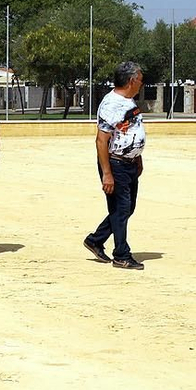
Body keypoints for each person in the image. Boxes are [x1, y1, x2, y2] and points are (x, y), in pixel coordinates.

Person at [83, 61, 147, 270]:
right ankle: (121, 254)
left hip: (129, 163)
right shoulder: (112, 103)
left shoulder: (129, 102)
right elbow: (101, 140)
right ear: (131, 81)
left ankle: (95, 240)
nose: (141, 84)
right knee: (120, 209)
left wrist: (138, 157)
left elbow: (130, 132)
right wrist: (107, 174)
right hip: (115, 164)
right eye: (140, 80)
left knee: (127, 208)